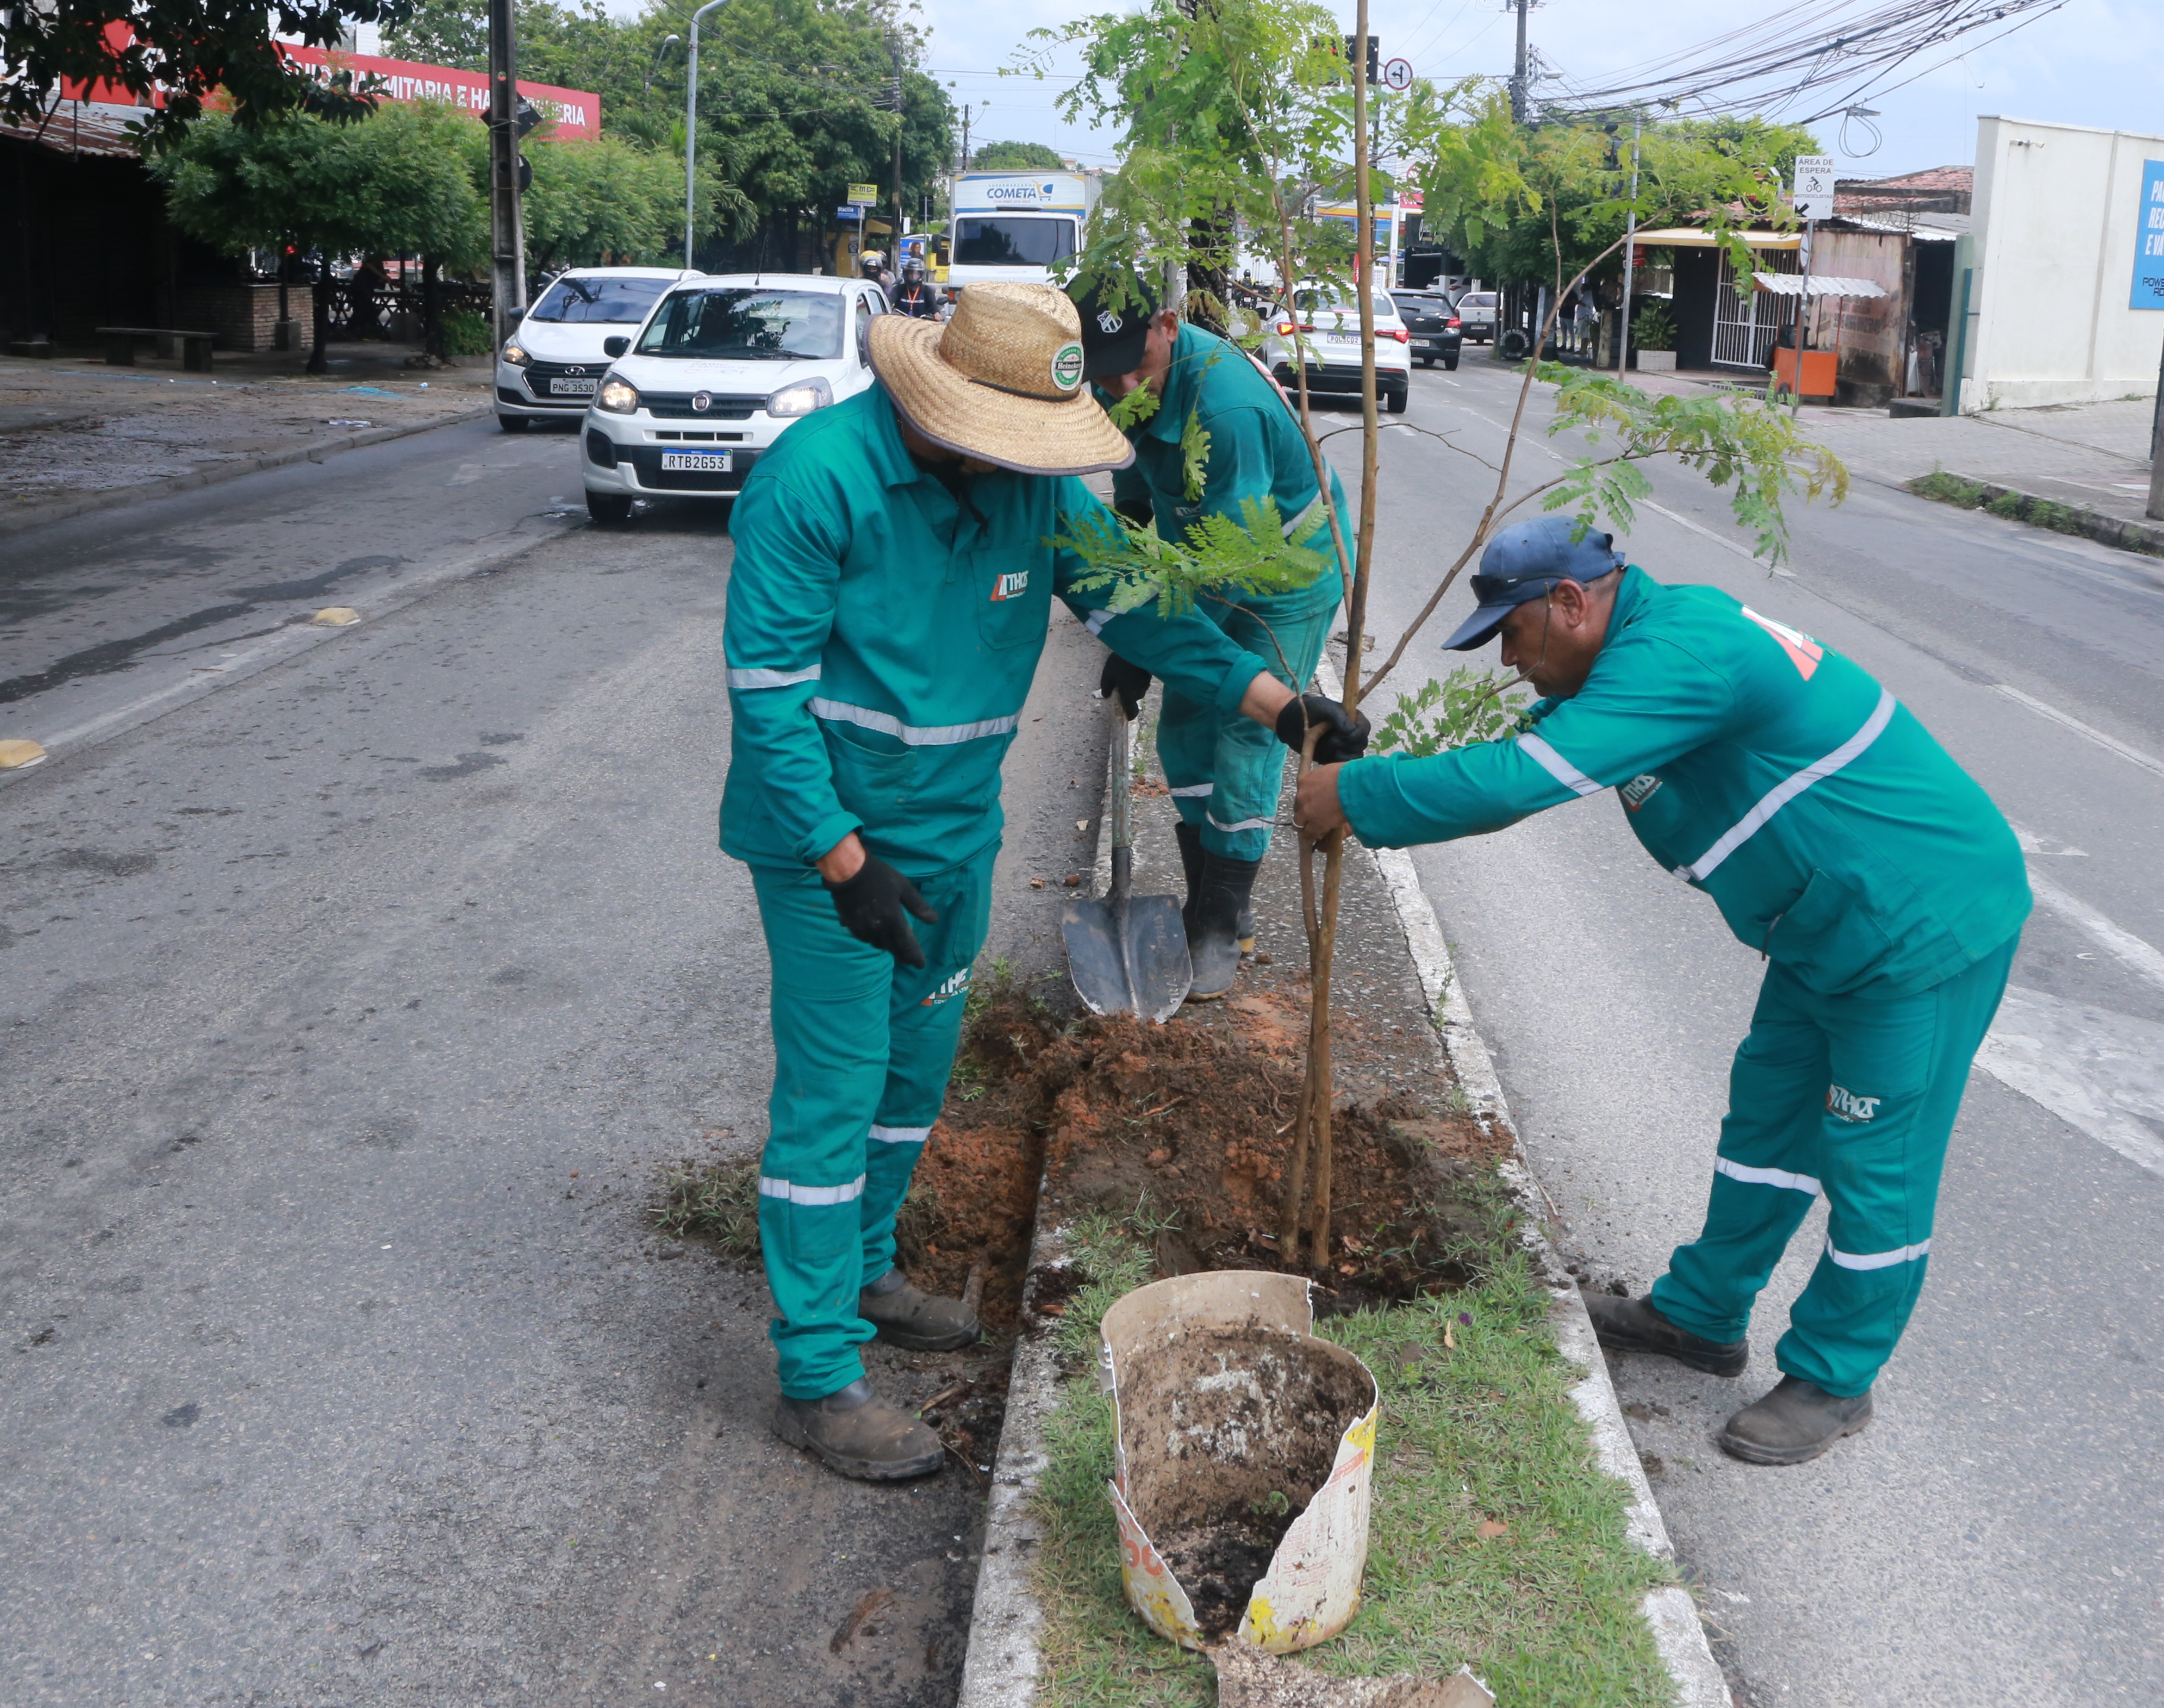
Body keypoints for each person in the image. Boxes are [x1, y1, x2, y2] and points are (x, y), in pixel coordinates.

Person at [723, 282, 1367, 1481]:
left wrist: (1285, 705)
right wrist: (844, 859)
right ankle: (817, 1377)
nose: (1026, 463)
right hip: (837, 848)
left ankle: (866, 1272)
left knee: (914, 1075)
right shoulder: (815, 480)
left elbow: (1148, 611)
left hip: (957, 831)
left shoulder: (1033, 493)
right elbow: (765, 697)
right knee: (834, 1091)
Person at [1294, 517, 2026, 1466]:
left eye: (1514, 634)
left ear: (1571, 602)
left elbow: (1522, 781)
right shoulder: (1632, 659)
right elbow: (1524, 758)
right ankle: (1701, 1317)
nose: (1510, 663)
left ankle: (1837, 1378)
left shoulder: (1682, 656)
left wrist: (1355, 796)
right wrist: (1380, 786)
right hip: (1827, 929)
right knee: (1768, 1123)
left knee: (1874, 1163)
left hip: (1919, 927)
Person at [1071, 277, 1351, 994]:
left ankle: (1222, 922)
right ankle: (1208, 894)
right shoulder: (1113, 386)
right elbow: (1132, 500)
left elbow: (1239, 556)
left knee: (1248, 731)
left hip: (1284, 572)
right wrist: (1132, 627)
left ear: (1168, 325)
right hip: (1199, 570)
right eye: (1107, 374)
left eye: (1137, 365)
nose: (1125, 386)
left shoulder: (1225, 408)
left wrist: (1151, 641)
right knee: (1185, 729)